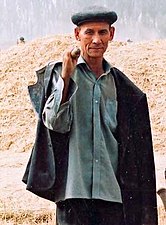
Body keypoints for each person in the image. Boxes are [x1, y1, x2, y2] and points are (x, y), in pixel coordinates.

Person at [23, 5, 158, 225]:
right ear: (77, 35)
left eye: (102, 32)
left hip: (112, 196)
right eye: (89, 32)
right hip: (73, 194)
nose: (96, 40)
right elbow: (55, 123)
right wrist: (66, 78)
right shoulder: (60, 75)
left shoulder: (123, 88)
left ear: (111, 35)